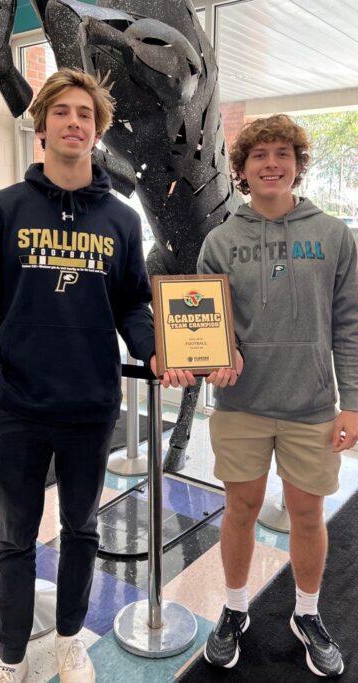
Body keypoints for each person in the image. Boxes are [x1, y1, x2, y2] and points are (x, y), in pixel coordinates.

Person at [0, 68, 195, 683]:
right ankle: (10, 655)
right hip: (14, 405)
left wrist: (155, 351)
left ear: (97, 132)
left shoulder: (121, 220)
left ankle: (69, 640)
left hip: (92, 404)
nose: (76, 122)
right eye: (63, 112)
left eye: (87, 115)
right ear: (41, 125)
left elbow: (130, 302)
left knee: (81, 529)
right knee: (15, 539)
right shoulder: (0, 210)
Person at [197, 114, 358, 678]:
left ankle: (307, 614)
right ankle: (235, 608)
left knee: (307, 515)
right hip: (241, 407)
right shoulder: (220, 242)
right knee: (239, 510)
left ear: (297, 164)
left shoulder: (337, 236)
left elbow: (349, 323)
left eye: (282, 153)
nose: (272, 163)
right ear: (240, 170)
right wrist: (220, 354)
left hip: (311, 407)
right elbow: (208, 326)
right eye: (259, 154)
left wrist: (353, 401)